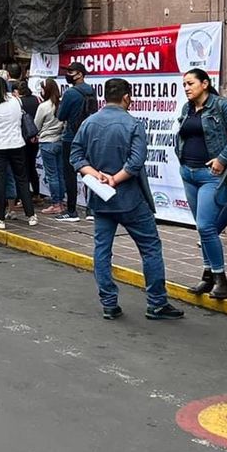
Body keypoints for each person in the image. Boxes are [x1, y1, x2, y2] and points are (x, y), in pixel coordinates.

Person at [72, 78, 185, 322]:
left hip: (101, 200)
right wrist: (115, 178)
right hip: (130, 199)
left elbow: (76, 156)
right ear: (126, 97)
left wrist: (97, 175)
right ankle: (156, 303)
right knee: (150, 248)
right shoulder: (133, 124)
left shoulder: (89, 123)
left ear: (104, 97)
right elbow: (136, 162)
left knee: (102, 251)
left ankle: (109, 304)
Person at [175, 68, 227, 300]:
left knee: (207, 227)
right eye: (184, 84)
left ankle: (221, 279)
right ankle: (207, 276)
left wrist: (222, 159)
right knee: (201, 227)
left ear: (204, 84)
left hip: (211, 175)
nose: (186, 88)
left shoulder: (220, 105)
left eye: (190, 83)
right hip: (188, 172)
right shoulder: (188, 108)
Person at [0, 76, 36, 230]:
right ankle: (31, 215)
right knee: (22, 179)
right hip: (17, 143)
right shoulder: (15, 100)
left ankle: (0, 218)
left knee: (0, 181)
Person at [55, 64, 97, 222]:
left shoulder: (70, 93)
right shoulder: (91, 91)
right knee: (89, 172)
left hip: (71, 138)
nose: (68, 74)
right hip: (88, 137)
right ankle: (91, 209)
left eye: (71, 72)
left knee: (70, 174)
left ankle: (71, 211)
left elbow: (61, 115)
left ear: (80, 74)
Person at [35, 78, 66, 214]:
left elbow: (36, 125)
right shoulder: (61, 104)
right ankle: (62, 201)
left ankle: (56, 203)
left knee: (52, 175)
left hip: (47, 142)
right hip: (59, 140)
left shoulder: (44, 106)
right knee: (60, 173)